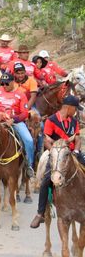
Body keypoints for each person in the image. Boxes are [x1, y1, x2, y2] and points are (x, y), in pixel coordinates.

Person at [30, 95, 84, 228]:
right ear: (69, 107)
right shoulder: (51, 120)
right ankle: (40, 213)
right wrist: (56, 151)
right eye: (75, 108)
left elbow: (77, 139)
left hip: (72, 153)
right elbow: (47, 141)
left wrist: (76, 152)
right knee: (46, 180)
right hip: (56, 154)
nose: (75, 111)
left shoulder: (74, 121)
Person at [0, 72, 35, 177]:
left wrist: (14, 119)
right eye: (2, 83)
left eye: (6, 84)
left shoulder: (20, 94)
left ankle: (29, 165)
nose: (4, 86)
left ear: (13, 82)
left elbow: (25, 113)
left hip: (15, 122)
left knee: (29, 140)